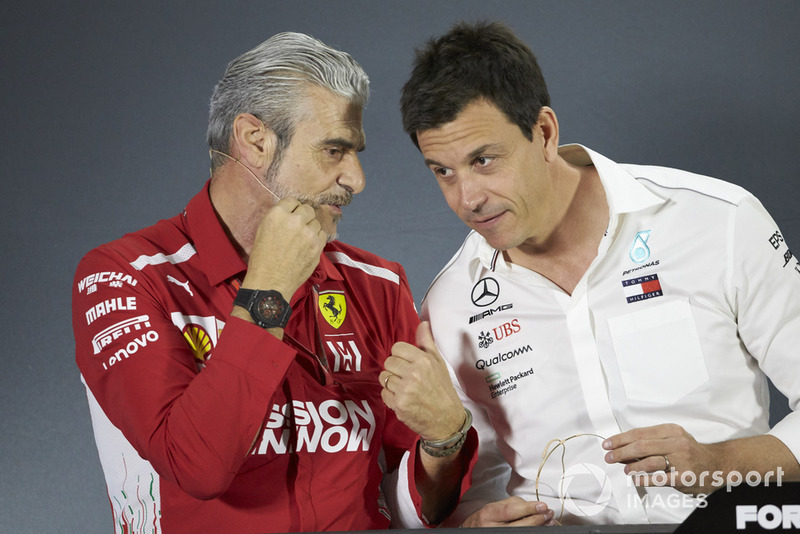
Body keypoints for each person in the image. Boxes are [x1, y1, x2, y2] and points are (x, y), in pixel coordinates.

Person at [399, 21, 800, 526]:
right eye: (443, 171)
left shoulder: (719, 219)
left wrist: (720, 466)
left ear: (544, 133)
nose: (467, 198)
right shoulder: (449, 303)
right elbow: (470, 490)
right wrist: (474, 524)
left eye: (484, 160)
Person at [72, 32, 476, 534]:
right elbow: (196, 466)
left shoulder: (378, 284)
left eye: (355, 153)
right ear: (256, 140)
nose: (357, 178)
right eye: (334, 150)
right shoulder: (123, 277)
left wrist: (445, 441)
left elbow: (411, 508)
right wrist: (269, 289)